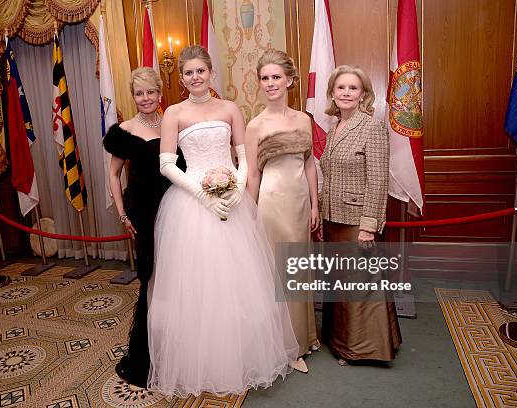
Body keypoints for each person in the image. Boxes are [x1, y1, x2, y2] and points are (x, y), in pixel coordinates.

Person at [148, 45, 299, 397]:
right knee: (198, 285)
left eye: (201, 70)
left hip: (232, 201)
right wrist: (202, 194)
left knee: (240, 282)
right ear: (182, 78)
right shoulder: (173, 113)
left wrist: (236, 188)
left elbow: (244, 154)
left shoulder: (230, 108)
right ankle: (203, 359)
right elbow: (166, 164)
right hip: (190, 204)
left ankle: (243, 355)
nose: (195, 77)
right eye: (188, 73)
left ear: (211, 72)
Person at [103, 67, 184, 387]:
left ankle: (182, 344)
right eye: (139, 93)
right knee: (151, 275)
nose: (146, 98)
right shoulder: (123, 131)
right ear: (132, 96)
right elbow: (113, 175)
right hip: (142, 211)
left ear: (160, 93)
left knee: (178, 274)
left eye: (151, 92)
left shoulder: (173, 122)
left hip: (176, 207)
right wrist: (123, 215)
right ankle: (152, 350)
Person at [318, 65, 401, 364]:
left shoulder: (372, 127)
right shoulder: (333, 128)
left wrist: (369, 226)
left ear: (363, 94)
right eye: (341, 88)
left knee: (359, 283)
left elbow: (378, 179)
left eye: (353, 88)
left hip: (356, 221)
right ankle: (341, 339)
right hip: (333, 217)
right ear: (332, 93)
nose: (346, 93)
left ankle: (359, 348)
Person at [245, 49, 320, 373]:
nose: (271, 83)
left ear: (289, 79)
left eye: (276, 77)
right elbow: (252, 174)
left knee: (300, 270)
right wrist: (250, 212)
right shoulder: (255, 125)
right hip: (273, 204)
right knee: (279, 273)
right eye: (265, 78)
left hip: (301, 203)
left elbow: (310, 164)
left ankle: (303, 338)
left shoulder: (304, 119)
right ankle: (286, 347)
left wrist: (315, 204)